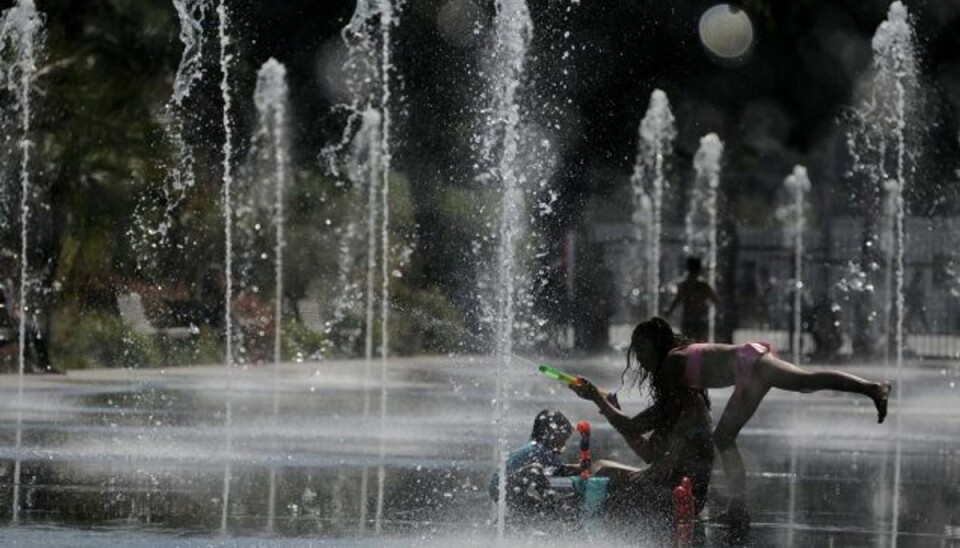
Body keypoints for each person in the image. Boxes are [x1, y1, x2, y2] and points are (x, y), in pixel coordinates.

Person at [618, 317, 890, 529]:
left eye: (642, 348)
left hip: (749, 368)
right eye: (635, 350)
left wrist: (664, 452)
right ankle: (872, 389)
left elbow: (682, 411)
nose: (639, 357)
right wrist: (629, 423)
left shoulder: (671, 363)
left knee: (728, 435)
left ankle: (738, 510)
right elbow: (674, 411)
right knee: (804, 384)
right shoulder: (677, 357)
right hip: (752, 362)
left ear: (657, 344)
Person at [569, 363, 714, 532]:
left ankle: (587, 528)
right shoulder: (671, 404)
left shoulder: (691, 407)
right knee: (600, 466)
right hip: (667, 484)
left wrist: (598, 398)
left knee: (607, 476)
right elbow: (648, 454)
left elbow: (663, 464)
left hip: (684, 498)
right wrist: (613, 409)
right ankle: (582, 520)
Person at [488, 409, 580, 522]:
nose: (563, 444)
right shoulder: (537, 450)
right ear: (550, 434)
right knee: (534, 470)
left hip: (505, 486)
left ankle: (512, 523)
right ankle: (551, 499)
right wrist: (579, 469)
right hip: (504, 486)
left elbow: (557, 469)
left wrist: (579, 468)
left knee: (539, 511)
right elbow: (560, 470)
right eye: (562, 439)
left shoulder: (537, 447)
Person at [665, 257, 717, 341]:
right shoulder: (704, 285)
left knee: (688, 346)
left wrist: (669, 311)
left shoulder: (684, 285)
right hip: (701, 320)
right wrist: (705, 305)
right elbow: (715, 300)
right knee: (701, 347)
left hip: (687, 320)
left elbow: (677, 300)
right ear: (699, 269)